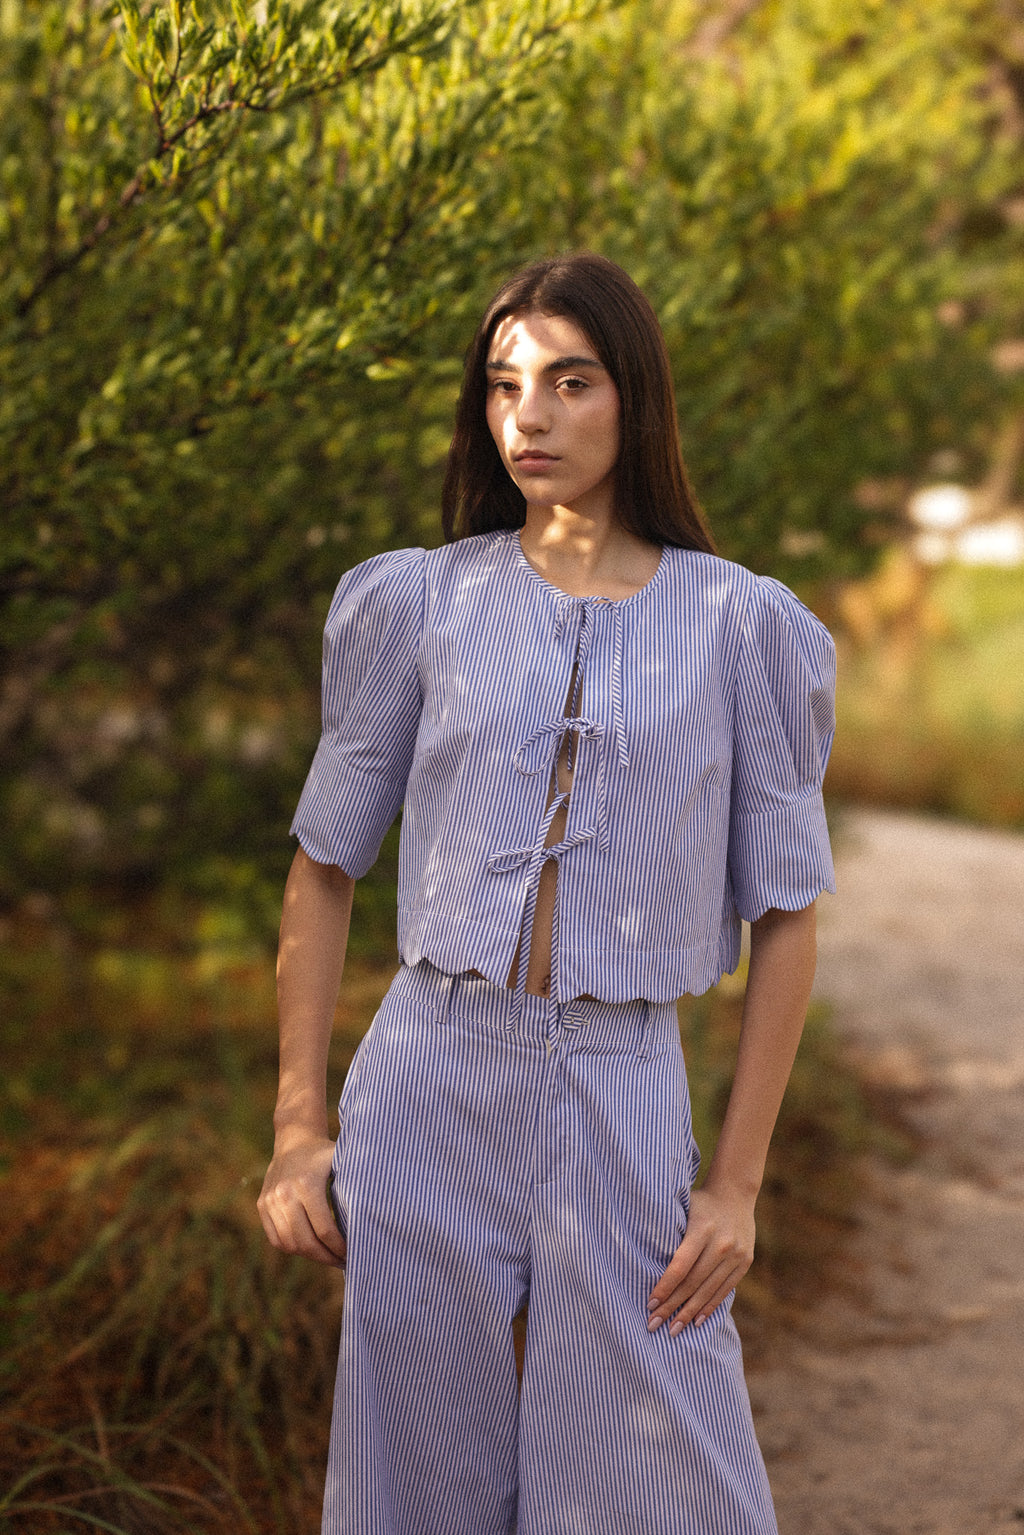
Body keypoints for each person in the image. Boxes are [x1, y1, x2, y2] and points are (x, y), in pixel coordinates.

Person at [257, 251, 836, 1535]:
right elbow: (323, 863)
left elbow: (789, 916)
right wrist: (299, 1125)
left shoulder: (744, 625)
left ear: (632, 398)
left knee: (660, 1479)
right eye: (506, 384)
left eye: (570, 382)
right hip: (426, 1077)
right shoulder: (419, 601)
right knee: (414, 1485)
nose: (529, 414)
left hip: (621, 1080)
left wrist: (735, 1186)